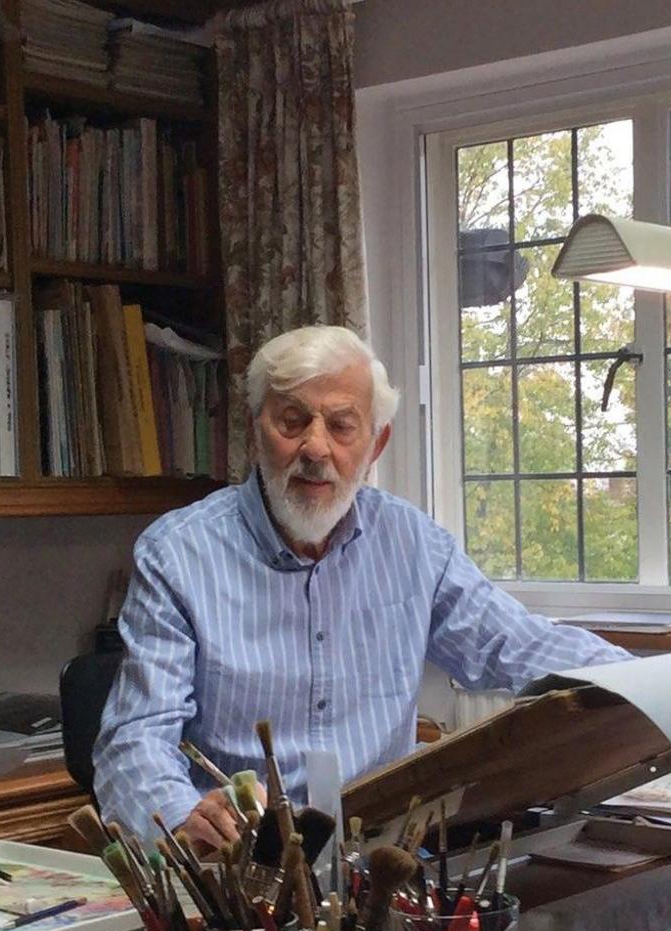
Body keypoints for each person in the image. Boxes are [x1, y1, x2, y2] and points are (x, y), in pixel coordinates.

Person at [93, 325, 632, 848]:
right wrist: (184, 816)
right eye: (292, 421)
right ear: (256, 429)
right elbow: (134, 739)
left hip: (382, 858)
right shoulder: (178, 555)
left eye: (342, 425)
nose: (315, 447)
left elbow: (516, 645)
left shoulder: (412, 544)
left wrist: (660, 685)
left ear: (377, 443)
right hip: (243, 873)